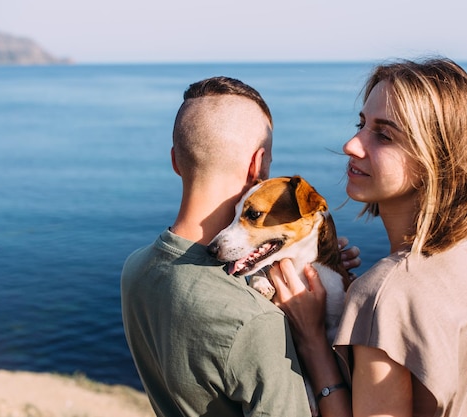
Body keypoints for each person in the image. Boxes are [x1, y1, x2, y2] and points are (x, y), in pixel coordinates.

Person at [121, 76, 360, 417]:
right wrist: (312, 338)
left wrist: (313, 262)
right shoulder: (256, 321)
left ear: (176, 161)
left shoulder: (135, 269)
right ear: (257, 165)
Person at [270, 58, 467, 417]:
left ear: (434, 161)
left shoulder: (384, 294)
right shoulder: (463, 257)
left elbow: (392, 300)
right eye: (362, 124)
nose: (351, 145)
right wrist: (348, 300)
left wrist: (311, 339)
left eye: (384, 134)